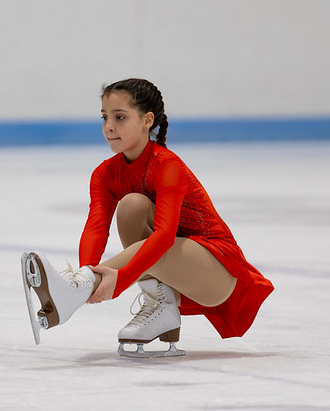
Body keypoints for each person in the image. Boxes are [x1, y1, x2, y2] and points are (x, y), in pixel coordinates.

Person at [22, 78, 274, 357]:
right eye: (104, 117)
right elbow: (96, 228)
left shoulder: (167, 166)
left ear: (146, 120)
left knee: (155, 236)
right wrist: (89, 269)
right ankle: (157, 304)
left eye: (120, 117)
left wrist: (117, 280)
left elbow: (165, 237)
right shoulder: (104, 174)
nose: (109, 126)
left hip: (217, 272)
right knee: (132, 205)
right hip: (172, 262)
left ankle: (75, 291)